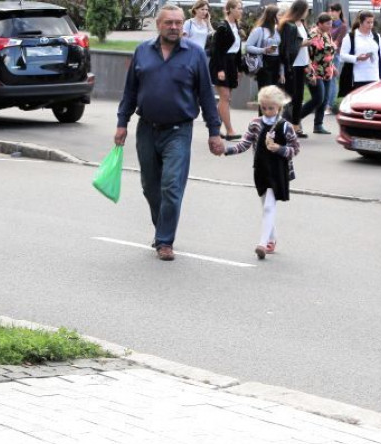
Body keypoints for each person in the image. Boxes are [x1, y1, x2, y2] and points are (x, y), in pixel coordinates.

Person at [115, 4, 224, 262]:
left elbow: (207, 96)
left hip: (179, 131)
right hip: (147, 130)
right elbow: (130, 91)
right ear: (158, 25)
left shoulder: (195, 54)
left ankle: (165, 241)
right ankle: (162, 228)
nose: (174, 27)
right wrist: (122, 123)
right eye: (169, 23)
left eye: (178, 23)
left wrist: (214, 131)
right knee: (150, 187)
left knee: (171, 187)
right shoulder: (142, 51)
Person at [224, 86, 300, 260]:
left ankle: (262, 244)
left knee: (268, 206)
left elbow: (295, 149)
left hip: (278, 171)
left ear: (279, 107)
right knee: (265, 205)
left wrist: (279, 149)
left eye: (271, 108)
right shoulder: (255, 123)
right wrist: (227, 150)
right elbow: (244, 144)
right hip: (261, 169)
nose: (267, 111)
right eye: (264, 107)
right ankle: (272, 239)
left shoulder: (285, 126)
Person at [210, 0, 244, 141]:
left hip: (231, 65)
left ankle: (215, 130)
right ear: (230, 9)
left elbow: (237, 51)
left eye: (241, 8)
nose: (241, 11)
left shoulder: (236, 26)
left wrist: (238, 68)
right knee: (225, 98)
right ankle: (230, 131)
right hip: (221, 64)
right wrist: (220, 70)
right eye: (239, 8)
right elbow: (216, 50)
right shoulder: (222, 27)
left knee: (225, 98)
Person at [278, 0, 311, 138]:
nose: (308, 12)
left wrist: (308, 63)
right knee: (292, 97)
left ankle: (295, 126)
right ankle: (286, 127)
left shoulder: (301, 24)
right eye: (306, 10)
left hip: (302, 64)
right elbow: (288, 47)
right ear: (300, 10)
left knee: (298, 97)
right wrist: (305, 43)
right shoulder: (288, 25)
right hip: (292, 65)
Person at [301, 13, 336, 135]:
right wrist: (309, 73)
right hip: (315, 71)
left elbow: (329, 53)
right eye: (327, 24)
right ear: (319, 24)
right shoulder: (313, 34)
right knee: (318, 98)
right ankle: (295, 117)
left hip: (327, 71)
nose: (330, 26)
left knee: (324, 99)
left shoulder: (327, 34)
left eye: (331, 23)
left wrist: (333, 67)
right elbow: (307, 55)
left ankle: (318, 125)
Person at [339, 11, 381, 92]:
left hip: (374, 77)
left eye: (372, 22)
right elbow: (342, 56)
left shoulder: (376, 36)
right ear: (360, 22)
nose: (371, 25)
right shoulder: (350, 37)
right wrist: (357, 58)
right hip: (357, 78)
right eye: (368, 22)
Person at [247, 5, 284, 92]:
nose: (281, 18)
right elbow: (248, 46)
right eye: (279, 15)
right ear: (272, 16)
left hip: (276, 63)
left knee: (274, 94)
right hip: (264, 63)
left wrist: (282, 72)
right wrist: (263, 50)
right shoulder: (259, 30)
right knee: (265, 93)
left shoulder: (278, 30)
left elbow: (281, 51)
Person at [325, 3, 348, 115]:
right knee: (325, 79)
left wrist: (328, 45)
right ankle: (325, 104)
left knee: (332, 79)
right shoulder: (329, 24)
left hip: (335, 55)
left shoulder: (342, 26)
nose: (331, 13)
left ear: (339, 11)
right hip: (325, 54)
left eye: (333, 11)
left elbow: (338, 42)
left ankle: (330, 105)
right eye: (330, 11)